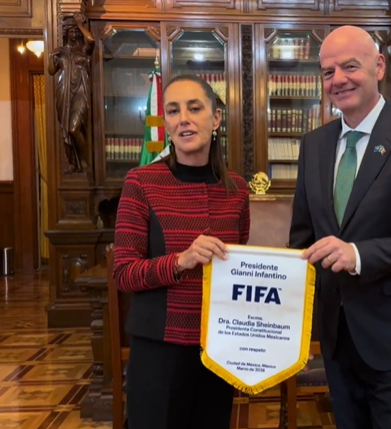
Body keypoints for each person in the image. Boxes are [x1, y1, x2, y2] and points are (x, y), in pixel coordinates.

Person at [289, 25, 391, 429]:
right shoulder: (314, 145)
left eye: (350, 67)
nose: (338, 79)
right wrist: (289, 323)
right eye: (328, 72)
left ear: (379, 66)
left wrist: (358, 255)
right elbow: (302, 241)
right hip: (336, 338)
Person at [113, 73, 251, 429]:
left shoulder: (237, 189)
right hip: (159, 348)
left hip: (217, 347)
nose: (183, 119)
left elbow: (239, 269)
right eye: (173, 111)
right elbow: (124, 273)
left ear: (215, 118)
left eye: (194, 108)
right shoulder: (141, 182)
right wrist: (180, 261)